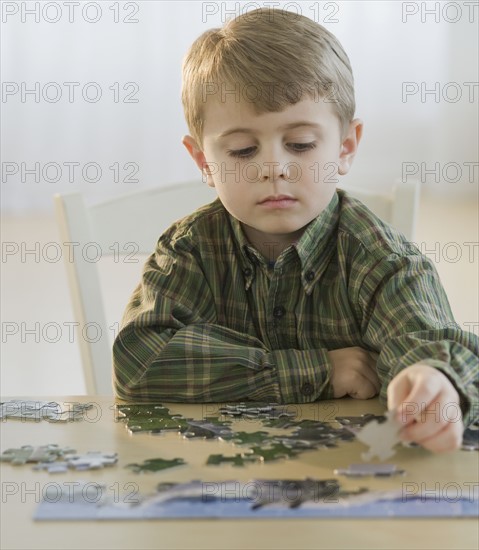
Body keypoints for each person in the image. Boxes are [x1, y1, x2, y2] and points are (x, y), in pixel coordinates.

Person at [113, 8, 478, 453]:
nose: (274, 169)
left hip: (348, 485)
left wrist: (434, 381)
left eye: (301, 145)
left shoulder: (381, 257)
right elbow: (140, 361)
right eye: (243, 150)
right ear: (204, 162)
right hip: (219, 482)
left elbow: (431, 344)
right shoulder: (189, 250)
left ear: (345, 148)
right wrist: (320, 369)